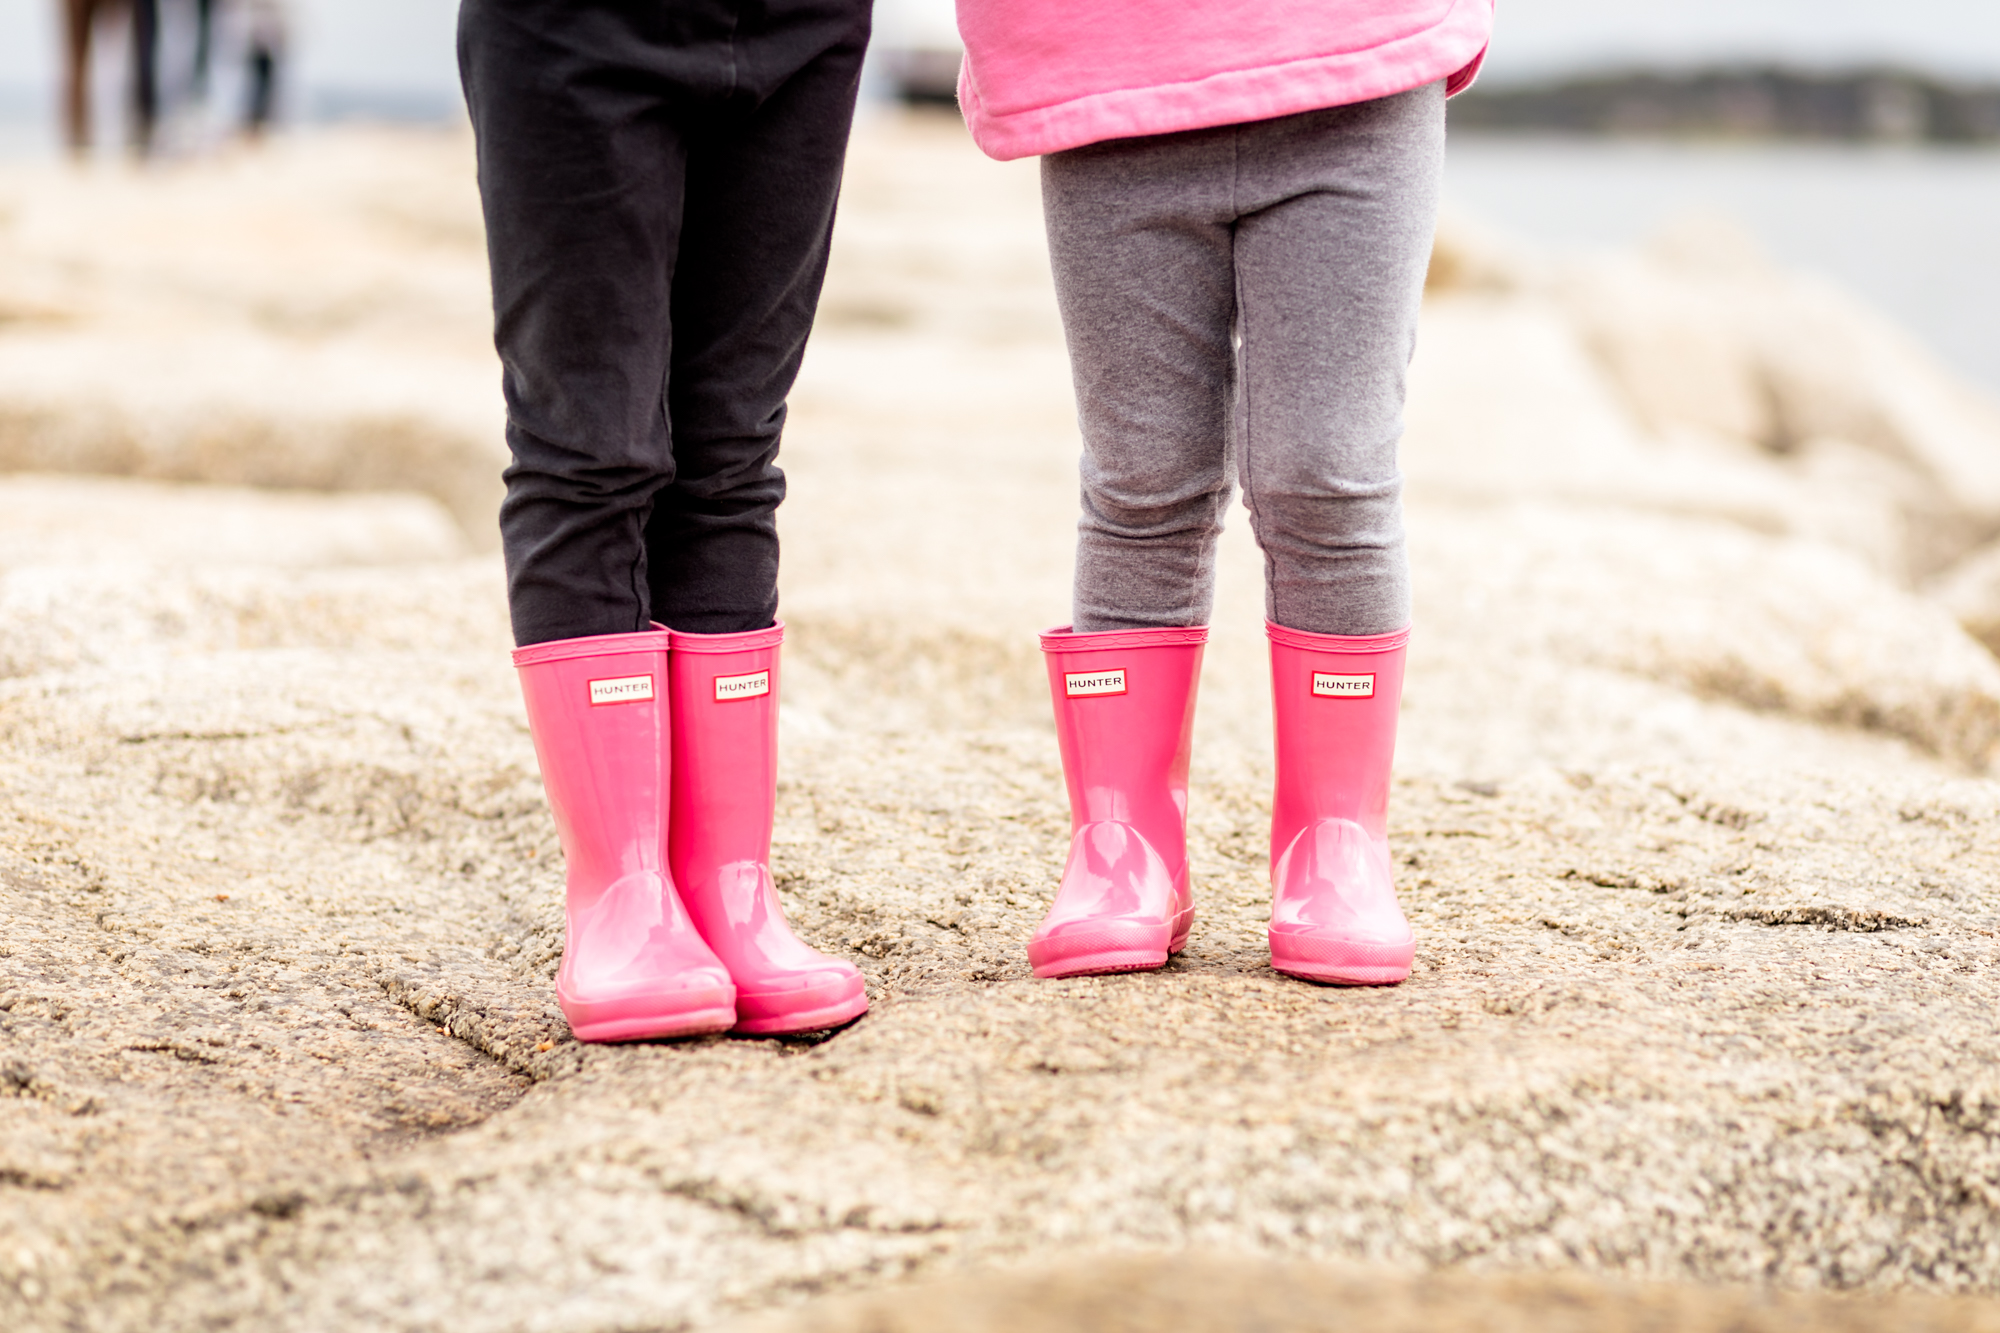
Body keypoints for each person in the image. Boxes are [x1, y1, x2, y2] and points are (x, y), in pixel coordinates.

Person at [952, 0, 1494, 985]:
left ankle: (1335, 846)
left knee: (1327, 475)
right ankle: (1123, 851)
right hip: (1100, 74)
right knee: (1139, 477)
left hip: (1351, 63)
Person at [457, 0, 874, 1042]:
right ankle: (620, 896)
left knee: (731, 454)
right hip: (569, 27)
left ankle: (727, 893)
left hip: (805, 22)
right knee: (588, 447)